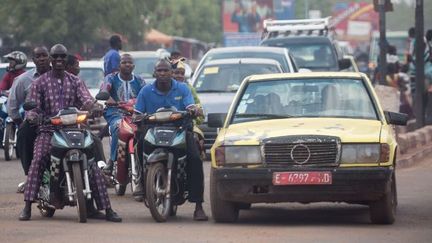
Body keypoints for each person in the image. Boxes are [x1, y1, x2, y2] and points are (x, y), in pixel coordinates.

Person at [19, 44, 121, 222]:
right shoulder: (39, 83)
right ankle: (27, 205)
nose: (59, 61)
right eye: (55, 57)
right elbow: (32, 107)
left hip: (74, 128)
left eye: (62, 57)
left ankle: (106, 208)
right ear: (51, 60)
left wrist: (95, 107)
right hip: (49, 130)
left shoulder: (75, 81)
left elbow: (87, 100)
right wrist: (33, 117)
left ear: (67, 59)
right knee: (39, 158)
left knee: (92, 163)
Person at [134, 59, 208, 221]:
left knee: (195, 159)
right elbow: (137, 113)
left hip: (180, 130)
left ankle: (198, 205)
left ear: (171, 73)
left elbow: (190, 106)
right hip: (154, 131)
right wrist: (138, 117)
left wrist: (193, 110)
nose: (162, 74)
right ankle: (141, 182)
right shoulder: (146, 91)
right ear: (155, 73)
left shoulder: (183, 88)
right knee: (138, 145)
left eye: (165, 71)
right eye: (159, 71)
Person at [8, 46, 51, 193]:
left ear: (49, 57)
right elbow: (12, 104)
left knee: (90, 138)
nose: (42, 59)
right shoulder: (23, 80)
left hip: (60, 121)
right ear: (33, 60)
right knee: (23, 135)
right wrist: (20, 122)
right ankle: (30, 178)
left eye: (44, 55)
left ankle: (99, 172)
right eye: (38, 56)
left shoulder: (62, 76)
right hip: (34, 122)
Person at [99, 53, 145, 175]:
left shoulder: (139, 80)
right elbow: (104, 90)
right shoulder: (111, 78)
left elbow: (146, 94)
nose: (127, 64)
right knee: (118, 127)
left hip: (135, 113)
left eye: (129, 62)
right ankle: (111, 161)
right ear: (119, 65)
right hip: (115, 112)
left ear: (133, 66)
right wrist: (108, 97)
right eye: (124, 62)